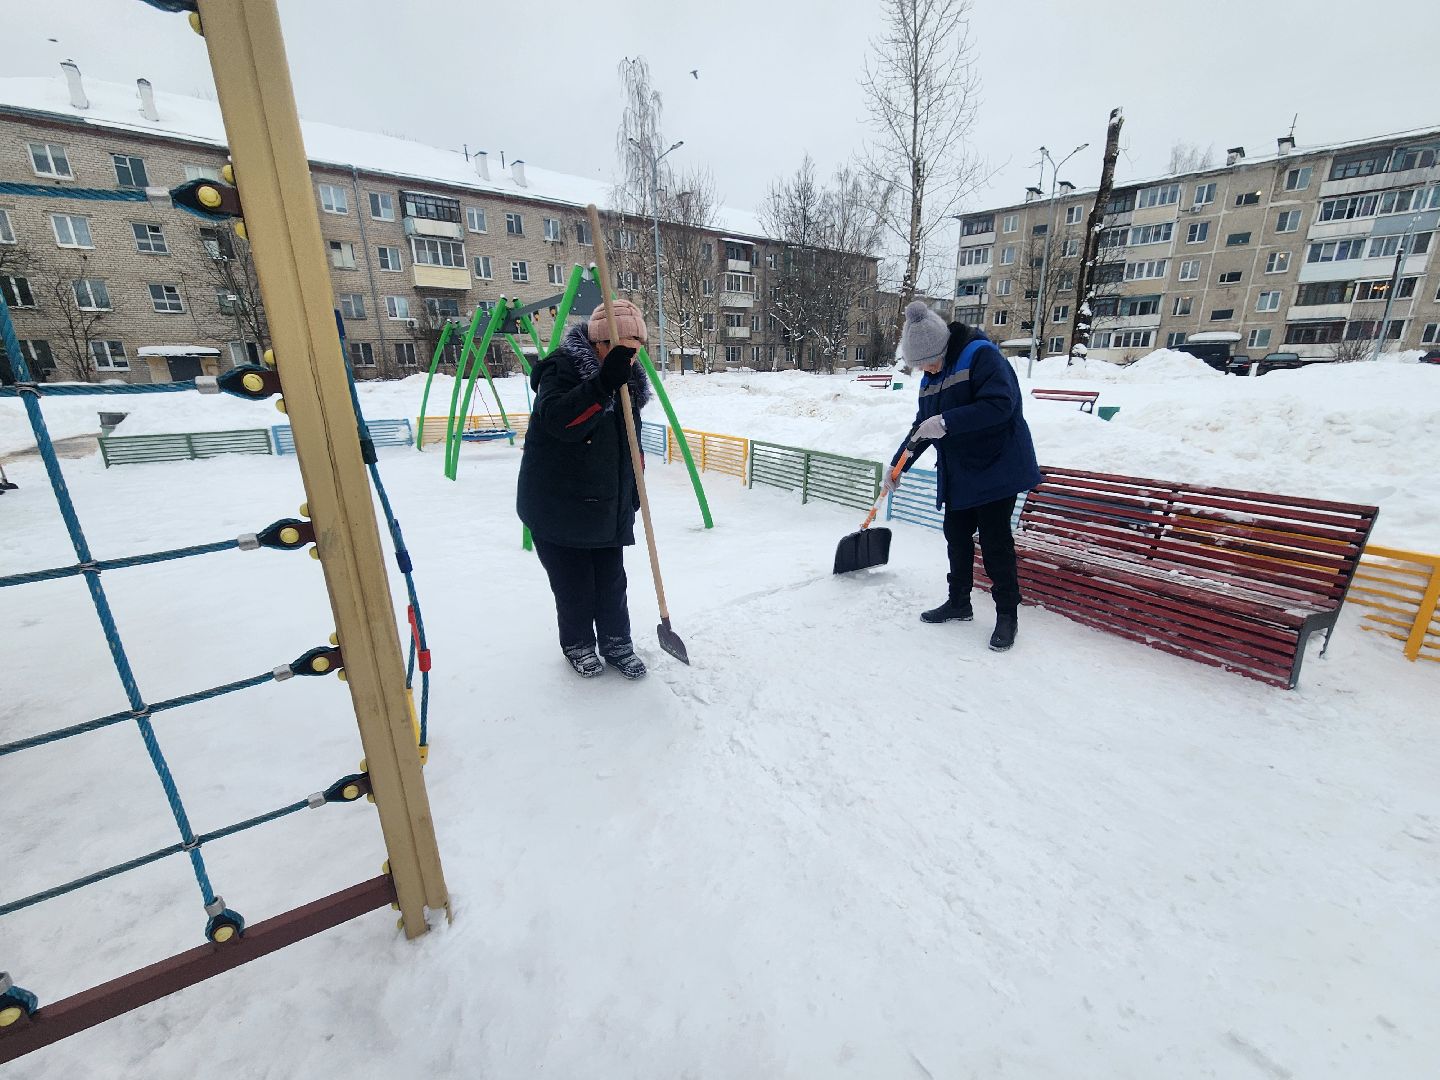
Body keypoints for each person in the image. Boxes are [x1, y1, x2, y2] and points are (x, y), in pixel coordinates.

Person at [882, 301, 1041, 651]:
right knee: (956, 534)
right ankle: (959, 602)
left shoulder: (981, 356)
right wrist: (897, 467)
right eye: (919, 365)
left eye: (927, 362)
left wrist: (948, 422)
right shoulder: (931, 376)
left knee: (995, 542)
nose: (925, 369)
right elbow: (923, 427)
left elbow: (1002, 405)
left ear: (942, 348)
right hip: (961, 470)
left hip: (998, 465)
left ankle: (1007, 615)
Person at [517, 299, 652, 680]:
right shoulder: (560, 371)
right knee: (575, 586)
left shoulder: (627, 381)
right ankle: (577, 643)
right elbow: (562, 422)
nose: (630, 358)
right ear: (599, 343)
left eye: (636, 350)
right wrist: (601, 385)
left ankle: (616, 642)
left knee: (611, 582)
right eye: (623, 349)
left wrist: (633, 492)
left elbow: (630, 443)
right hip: (558, 506)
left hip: (606, 504)